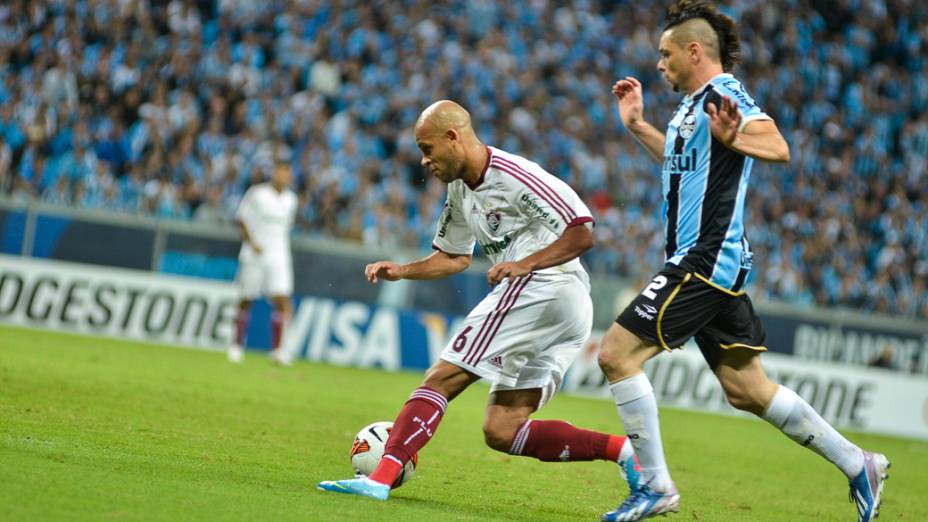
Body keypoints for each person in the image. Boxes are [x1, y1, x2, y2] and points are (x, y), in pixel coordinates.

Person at [597, 2, 889, 521]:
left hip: (703, 260)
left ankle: (657, 486)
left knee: (616, 354)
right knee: (746, 389)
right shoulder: (690, 106)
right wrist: (638, 126)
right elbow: (681, 167)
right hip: (711, 263)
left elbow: (778, 146)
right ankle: (858, 463)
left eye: (665, 54)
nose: (659, 64)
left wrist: (738, 138)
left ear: (694, 51)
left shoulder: (724, 93)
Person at [317, 100, 638, 501]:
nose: (423, 161)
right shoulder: (459, 189)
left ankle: (379, 479)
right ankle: (626, 453)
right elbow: (455, 256)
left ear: (453, 138)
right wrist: (402, 270)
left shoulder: (516, 175)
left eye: (427, 148)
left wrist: (524, 263)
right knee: (502, 429)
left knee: (441, 377)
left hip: (543, 286)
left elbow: (583, 230)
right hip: (562, 306)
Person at [228, 162, 298, 365]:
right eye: (280, 172)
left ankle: (278, 350)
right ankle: (236, 345)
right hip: (254, 255)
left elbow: (287, 227)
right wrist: (252, 243)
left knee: (283, 299)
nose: (283, 176)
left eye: (287, 172)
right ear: (273, 173)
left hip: (279, 256)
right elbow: (241, 219)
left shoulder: (291, 200)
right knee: (247, 298)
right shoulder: (257, 194)